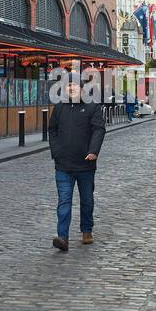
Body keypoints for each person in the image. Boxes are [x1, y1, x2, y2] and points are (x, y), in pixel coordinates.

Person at [48, 73, 106, 252]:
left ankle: (86, 229)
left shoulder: (92, 107)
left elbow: (99, 130)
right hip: (63, 165)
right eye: (67, 86)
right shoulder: (59, 108)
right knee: (64, 201)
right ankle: (62, 237)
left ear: (81, 88)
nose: (71, 88)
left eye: (74, 85)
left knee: (87, 200)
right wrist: (56, 152)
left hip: (85, 164)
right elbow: (52, 130)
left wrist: (93, 151)